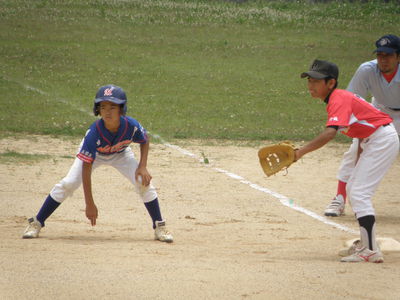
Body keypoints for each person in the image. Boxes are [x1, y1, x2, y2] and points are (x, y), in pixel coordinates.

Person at [22, 84, 173, 243]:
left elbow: (145, 139)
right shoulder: (93, 134)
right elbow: (86, 169)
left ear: (121, 109)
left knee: (143, 182)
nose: (107, 111)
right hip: (95, 154)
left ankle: (159, 226)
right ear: (98, 110)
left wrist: (142, 166)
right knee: (69, 183)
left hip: (120, 153)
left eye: (113, 107)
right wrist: (90, 204)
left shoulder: (131, 125)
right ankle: (37, 222)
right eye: (103, 106)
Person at [297, 59, 399, 262]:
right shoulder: (337, 98)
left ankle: (370, 251)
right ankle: (366, 245)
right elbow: (362, 130)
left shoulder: (338, 99)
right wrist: (358, 161)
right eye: (309, 80)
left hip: (382, 140)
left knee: (359, 192)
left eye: (316, 81)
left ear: (331, 83)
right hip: (375, 140)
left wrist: (299, 152)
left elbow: (329, 134)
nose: (311, 85)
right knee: (354, 187)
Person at [324, 34, 400, 217]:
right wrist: (360, 141)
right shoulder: (367, 70)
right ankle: (339, 199)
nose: (383, 59)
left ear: (398, 56)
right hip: (380, 111)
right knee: (353, 152)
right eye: (380, 54)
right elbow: (349, 103)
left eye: (389, 55)